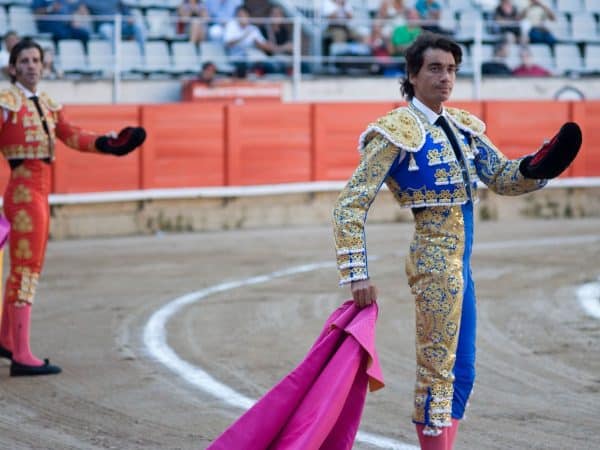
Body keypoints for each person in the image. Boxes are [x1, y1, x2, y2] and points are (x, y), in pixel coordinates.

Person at [332, 32, 580, 450]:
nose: (445, 78)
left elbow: (501, 177)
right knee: (437, 367)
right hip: (433, 262)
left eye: (451, 69)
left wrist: (541, 166)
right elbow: (348, 206)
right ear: (411, 75)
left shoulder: (463, 126)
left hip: (461, 265)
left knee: (462, 369)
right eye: (434, 68)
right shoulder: (395, 131)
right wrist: (356, 274)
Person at [0, 39, 146, 377]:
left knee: (22, 268)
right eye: (24, 61)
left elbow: (71, 135)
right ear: (13, 68)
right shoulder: (5, 103)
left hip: (39, 191)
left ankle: (7, 340)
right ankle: (22, 355)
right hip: (23, 192)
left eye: (36, 60)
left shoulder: (49, 104)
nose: (32, 66)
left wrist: (108, 144)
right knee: (26, 270)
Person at [223, 6, 274, 77]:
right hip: (236, 58)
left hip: (252, 58)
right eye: (239, 15)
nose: (242, 17)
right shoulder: (231, 26)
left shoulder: (253, 28)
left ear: (248, 16)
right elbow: (227, 44)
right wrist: (243, 36)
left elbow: (267, 48)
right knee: (242, 66)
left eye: (244, 15)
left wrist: (258, 44)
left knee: (271, 66)